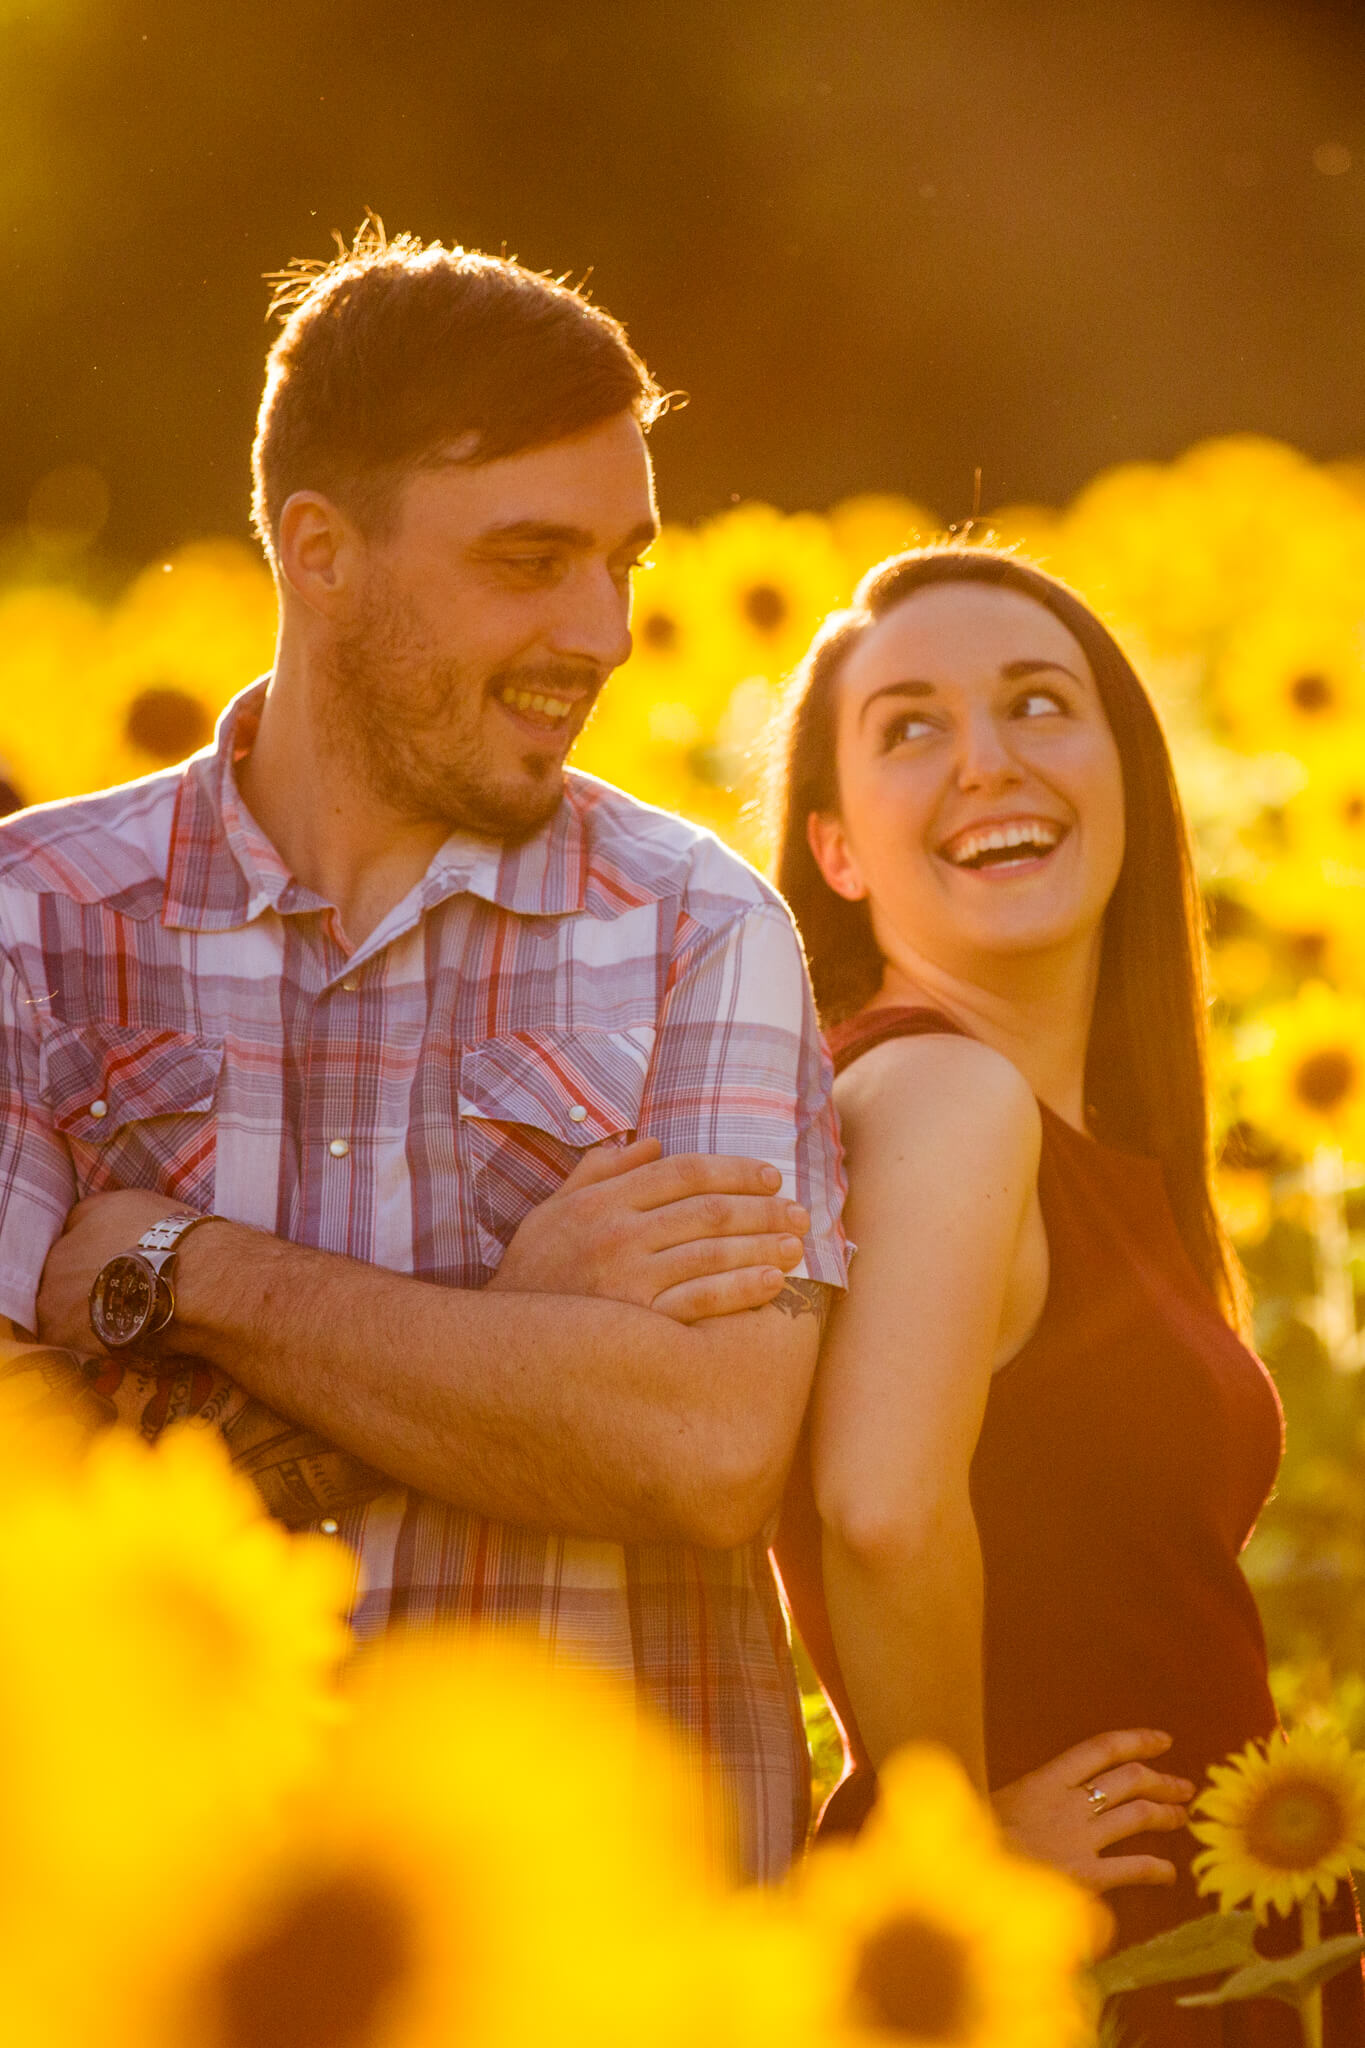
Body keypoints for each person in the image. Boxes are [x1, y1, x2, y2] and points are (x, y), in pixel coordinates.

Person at [0, 224, 848, 1882]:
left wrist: (183, 1282)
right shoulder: (35, 923)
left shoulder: (695, 926)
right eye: (530, 560)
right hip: (170, 1921)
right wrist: (524, 1337)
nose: (601, 634)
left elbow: (698, 1451)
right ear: (317, 549)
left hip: (625, 1936)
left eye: (626, 561)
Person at [770, 544, 1361, 2041]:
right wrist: (954, 1864)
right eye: (909, 727)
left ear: (1124, 772)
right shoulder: (947, 1100)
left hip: (1202, 1936)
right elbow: (879, 1510)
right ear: (835, 849)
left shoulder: (1080, 1139)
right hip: (1093, 1964)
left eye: (1038, 705)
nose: (985, 762)